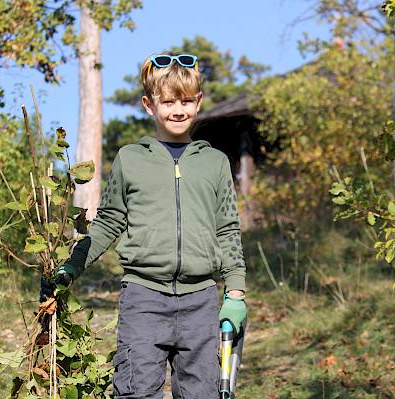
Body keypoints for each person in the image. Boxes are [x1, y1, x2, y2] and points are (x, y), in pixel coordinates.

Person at [42, 52, 247, 399]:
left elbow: (227, 228)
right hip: (144, 298)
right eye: (168, 101)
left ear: (198, 102)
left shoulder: (215, 163)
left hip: (201, 300)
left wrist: (236, 292)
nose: (178, 109)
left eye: (186, 100)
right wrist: (72, 266)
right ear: (149, 105)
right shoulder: (131, 159)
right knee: (135, 390)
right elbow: (108, 221)